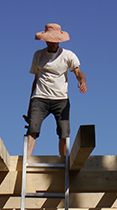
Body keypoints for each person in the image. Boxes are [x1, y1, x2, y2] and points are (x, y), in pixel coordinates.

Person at [24, 23, 87, 156]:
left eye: (54, 41)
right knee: (32, 129)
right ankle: (27, 159)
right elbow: (35, 80)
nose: (52, 43)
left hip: (60, 99)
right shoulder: (38, 55)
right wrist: (30, 107)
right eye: (49, 40)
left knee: (64, 132)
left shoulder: (68, 55)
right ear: (46, 40)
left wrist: (82, 80)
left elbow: (78, 72)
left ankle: (63, 161)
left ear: (59, 41)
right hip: (40, 98)